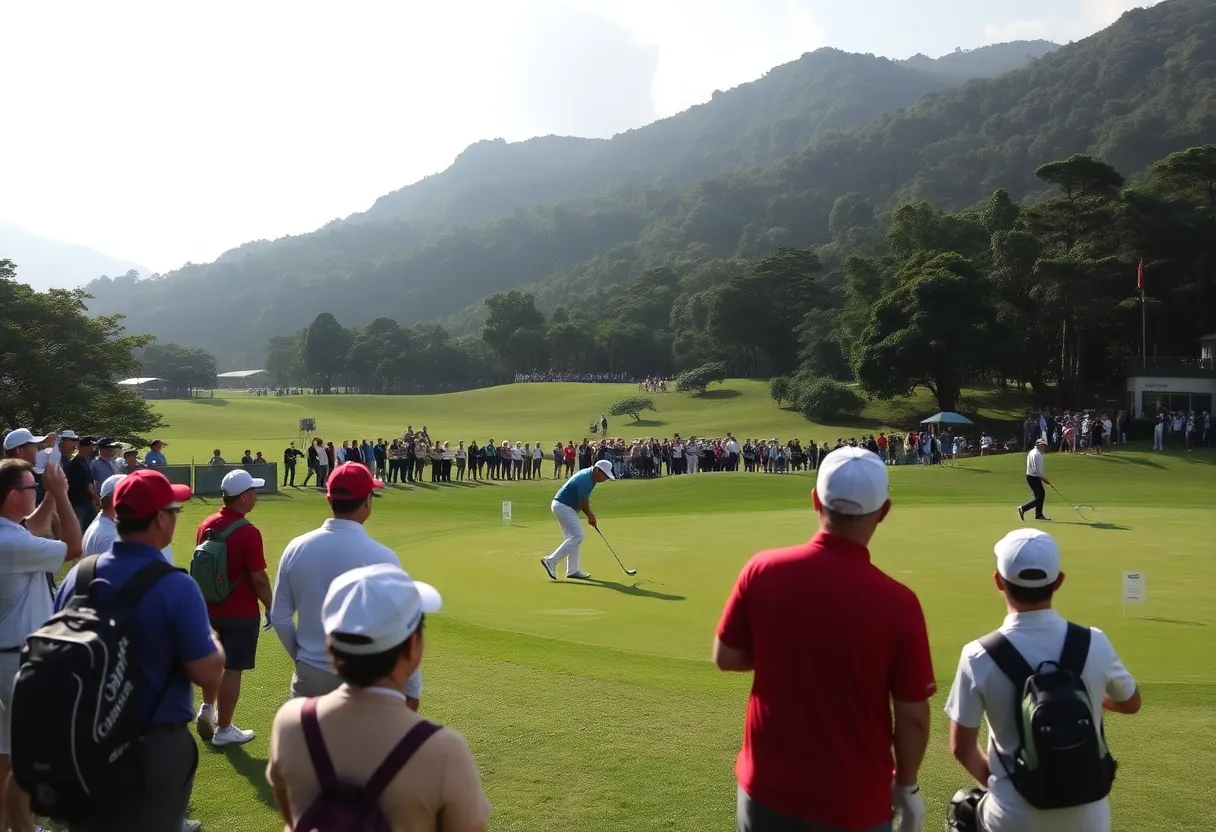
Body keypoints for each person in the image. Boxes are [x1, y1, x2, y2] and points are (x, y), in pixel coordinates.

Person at [714, 447, 934, 832]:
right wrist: (907, 786)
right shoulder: (899, 602)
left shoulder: (763, 570)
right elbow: (913, 718)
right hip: (856, 802)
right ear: (883, 511)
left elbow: (727, 656)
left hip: (767, 793)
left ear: (815, 499)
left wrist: (785, 650)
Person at [53, 469, 222, 832]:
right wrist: (215, 641)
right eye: (174, 510)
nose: (176, 518)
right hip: (152, 747)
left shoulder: (77, 578)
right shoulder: (176, 585)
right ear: (160, 519)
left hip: (82, 742)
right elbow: (207, 672)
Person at [266, 564, 490, 831]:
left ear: (330, 646)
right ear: (411, 647)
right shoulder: (444, 750)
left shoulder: (291, 722)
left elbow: (291, 816)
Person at [944, 529, 1141, 832]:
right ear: (1059, 581)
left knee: (963, 808)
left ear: (998, 581)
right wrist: (1093, 694)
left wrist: (1007, 787)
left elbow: (961, 747)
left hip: (1011, 818)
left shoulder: (977, 655)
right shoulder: (1094, 642)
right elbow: (1131, 703)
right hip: (1090, 819)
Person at [270, 462, 425, 707]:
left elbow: (279, 617)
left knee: (310, 744)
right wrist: (412, 688)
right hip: (364, 678)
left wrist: (303, 658)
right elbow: (402, 630)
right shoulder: (383, 557)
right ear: (367, 502)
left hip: (310, 676)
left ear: (329, 500)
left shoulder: (296, 548)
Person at [0, 460, 83, 832]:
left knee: (8, 752)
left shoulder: (9, 535)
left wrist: (48, 493)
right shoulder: (10, 542)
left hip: (7, 657)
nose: (36, 492)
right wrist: (63, 495)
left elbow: (31, 526)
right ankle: (25, 827)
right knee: (35, 757)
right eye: (30, 488)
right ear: (14, 495)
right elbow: (74, 546)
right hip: (18, 659)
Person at [194, 470, 272, 747]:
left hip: (208, 608)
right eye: (253, 492)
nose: (256, 496)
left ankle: (207, 707)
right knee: (232, 668)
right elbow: (259, 577)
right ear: (243, 497)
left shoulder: (206, 524)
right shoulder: (249, 532)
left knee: (213, 661)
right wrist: (271, 606)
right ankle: (224, 729)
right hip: (240, 611)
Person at [540, 459, 615, 581]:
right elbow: (583, 501)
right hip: (563, 506)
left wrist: (588, 515)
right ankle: (550, 561)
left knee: (572, 538)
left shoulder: (591, 477)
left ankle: (572, 570)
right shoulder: (585, 479)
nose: (606, 478)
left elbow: (583, 499)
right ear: (598, 470)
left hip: (565, 507)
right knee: (577, 537)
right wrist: (590, 515)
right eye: (605, 475)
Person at [1017, 438, 1050, 522]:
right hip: (1034, 477)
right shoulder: (1037, 454)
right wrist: (1044, 479)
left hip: (1032, 476)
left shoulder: (1033, 452)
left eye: (1044, 445)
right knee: (1040, 497)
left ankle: (1039, 514)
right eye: (1042, 445)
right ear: (1038, 445)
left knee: (1040, 495)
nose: (1044, 447)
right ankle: (1023, 508)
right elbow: (1036, 470)